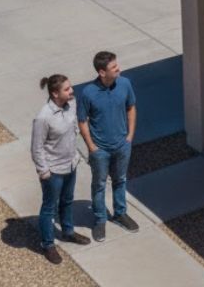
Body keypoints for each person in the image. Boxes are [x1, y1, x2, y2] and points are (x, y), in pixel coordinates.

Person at [77, 51, 138, 241]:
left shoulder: (125, 84)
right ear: (102, 72)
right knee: (100, 185)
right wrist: (91, 146)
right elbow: (82, 120)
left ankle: (120, 213)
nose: (118, 68)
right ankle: (100, 220)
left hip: (122, 144)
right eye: (113, 67)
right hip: (100, 149)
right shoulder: (88, 93)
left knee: (120, 180)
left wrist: (130, 135)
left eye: (116, 65)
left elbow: (131, 107)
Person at [31, 74, 90, 264]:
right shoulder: (43, 118)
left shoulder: (71, 104)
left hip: (70, 165)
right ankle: (47, 244)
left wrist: (76, 157)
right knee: (49, 208)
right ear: (55, 94)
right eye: (67, 89)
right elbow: (36, 147)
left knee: (67, 201)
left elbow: (74, 128)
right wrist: (44, 171)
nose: (71, 91)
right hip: (53, 171)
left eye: (70, 87)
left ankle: (68, 231)